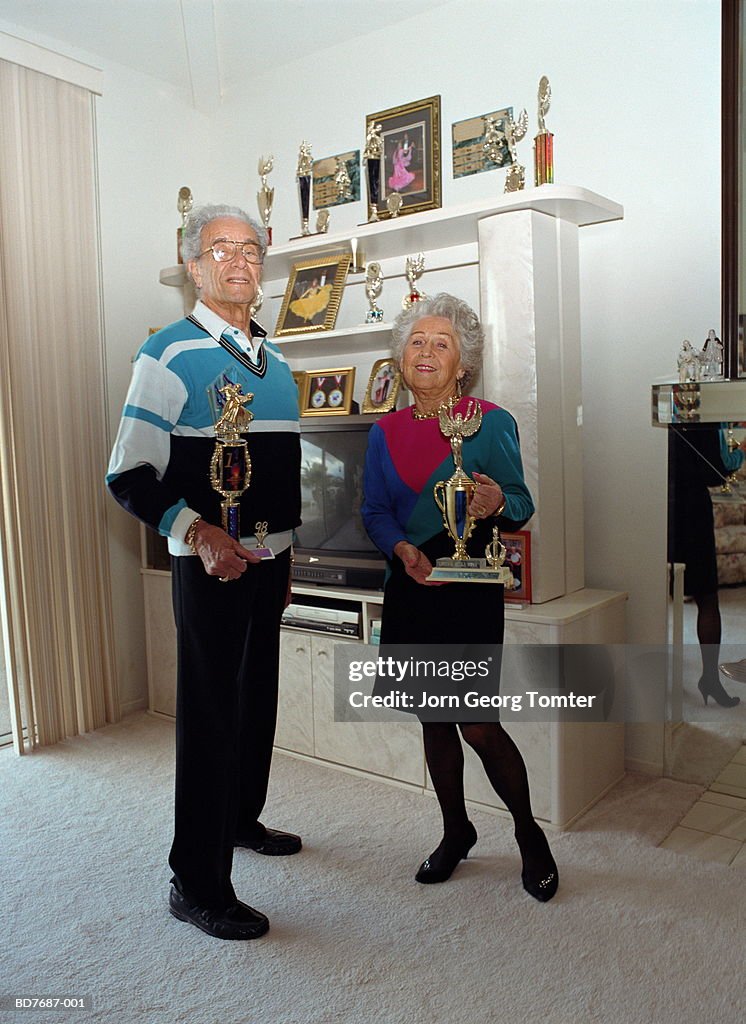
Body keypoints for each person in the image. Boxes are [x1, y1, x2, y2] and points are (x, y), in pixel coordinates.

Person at [107, 204, 302, 940]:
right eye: (220, 248)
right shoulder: (167, 353)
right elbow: (129, 474)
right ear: (193, 265)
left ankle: (241, 821)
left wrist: (287, 555)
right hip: (211, 565)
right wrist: (197, 530)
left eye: (250, 248)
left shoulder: (275, 360)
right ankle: (196, 882)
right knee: (213, 716)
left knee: (256, 708)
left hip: (268, 563)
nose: (238, 260)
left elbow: (282, 474)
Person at [361, 293, 558, 902]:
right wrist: (401, 549)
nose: (426, 352)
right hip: (412, 590)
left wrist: (497, 501)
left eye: (441, 343)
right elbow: (372, 510)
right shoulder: (383, 430)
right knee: (433, 717)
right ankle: (457, 831)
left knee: (476, 722)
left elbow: (522, 503)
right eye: (417, 341)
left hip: (468, 593)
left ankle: (529, 835)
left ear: (462, 362)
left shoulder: (490, 422)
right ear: (400, 355)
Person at [668, 425, 745, 707]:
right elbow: (715, 471)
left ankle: (663, 680)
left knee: (652, 594)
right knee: (707, 598)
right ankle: (710, 679)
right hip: (691, 510)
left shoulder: (648, 410)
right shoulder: (703, 417)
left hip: (654, 503)